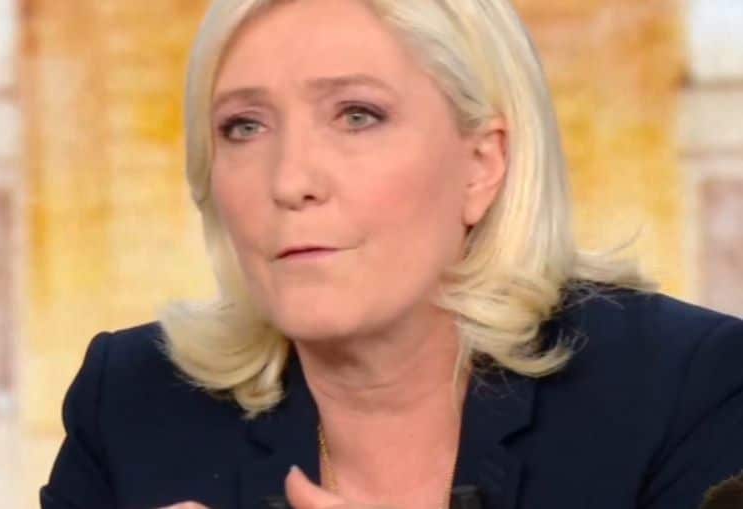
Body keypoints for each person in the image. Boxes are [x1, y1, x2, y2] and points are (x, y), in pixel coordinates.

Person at [40, 0, 743, 508]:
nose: (289, 181)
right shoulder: (128, 401)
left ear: (482, 164)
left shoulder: (689, 390)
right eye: (244, 126)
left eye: (357, 115)